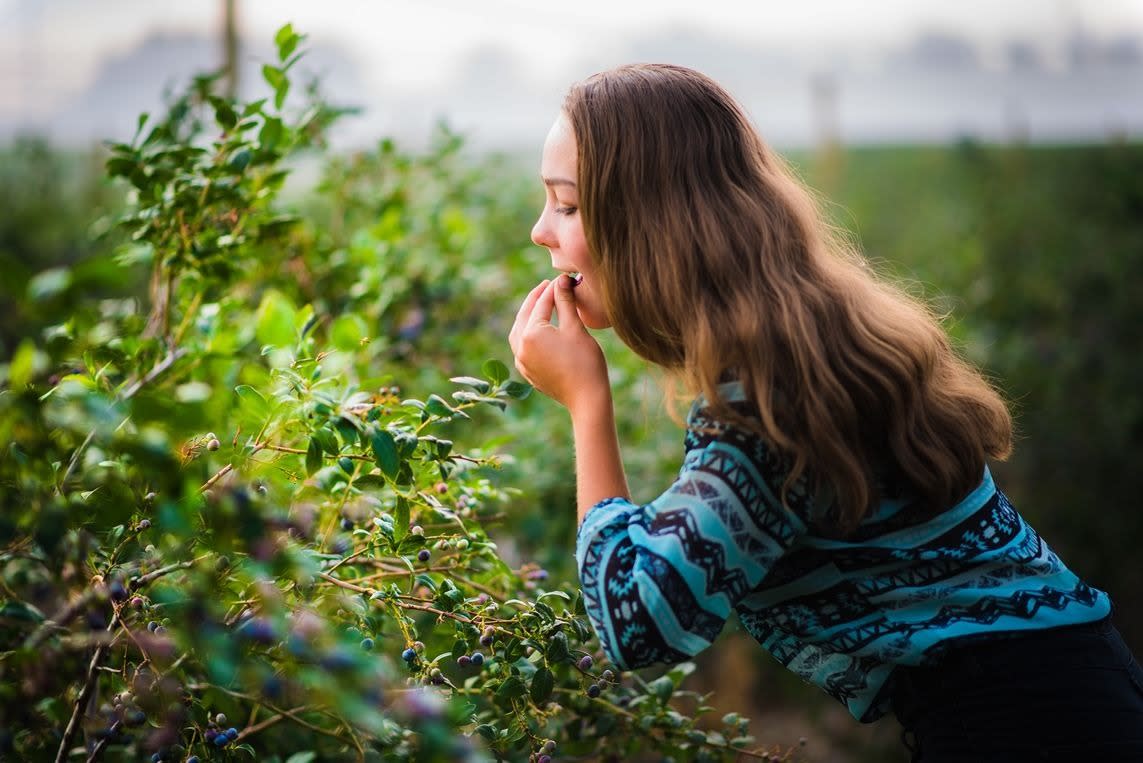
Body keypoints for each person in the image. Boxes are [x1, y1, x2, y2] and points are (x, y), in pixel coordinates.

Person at [507, 63, 1143, 761]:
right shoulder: (809, 337)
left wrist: (586, 403)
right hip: (1066, 696)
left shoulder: (770, 396)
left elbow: (639, 622)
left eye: (566, 205)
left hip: (1025, 725)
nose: (541, 230)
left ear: (650, 221)